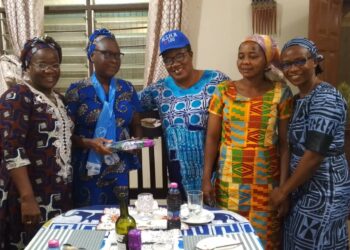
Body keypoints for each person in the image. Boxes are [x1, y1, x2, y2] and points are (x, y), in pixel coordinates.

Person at [202, 34, 292, 249]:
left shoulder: (281, 93)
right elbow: (212, 137)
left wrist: (284, 189)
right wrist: (206, 178)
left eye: (253, 56)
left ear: (267, 60)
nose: (245, 62)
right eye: (241, 56)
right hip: (229, 183)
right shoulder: (224, 91)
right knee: (229, 240)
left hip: (266, 184)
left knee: (265, 241)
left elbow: (285, 145)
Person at [270, 37, 350, 249]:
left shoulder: (326, 99)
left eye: (300, 61)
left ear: (315, 61)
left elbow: (315, 154)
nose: (293, 68)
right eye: (286, 64)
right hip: (300, 187)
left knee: (317, 242)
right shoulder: (298, 99)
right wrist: (288, 190)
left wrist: (283, 191)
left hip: (325, 190)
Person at [0, 36, 73, 249]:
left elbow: (63, 138)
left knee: (57, 241)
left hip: (58, 190)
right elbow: (11, 148)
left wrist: (88, 142)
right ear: (27, 66)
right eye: (42, 65)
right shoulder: (17, 96)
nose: (50, 70)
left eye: (55, 65)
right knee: (32, 243)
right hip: (29, 191)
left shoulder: (58, 98)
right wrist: (27, 198)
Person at [138, 30, 230, 199]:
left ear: (191, 54)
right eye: (168, 59)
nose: (175, 63)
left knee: (215, 220)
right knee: (186, 219)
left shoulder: (216, 81)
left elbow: (240, 105)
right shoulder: (158, 90)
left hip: (216, 171)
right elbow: (129, 104)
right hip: (178, 173)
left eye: (180, 56)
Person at [65, 28, 142, 207]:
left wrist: (135, 141)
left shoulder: (128, 89)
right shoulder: (77, 90)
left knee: (119, 216)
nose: (114, 60)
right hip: (88, 169)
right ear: (92, 55)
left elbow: (136, 124)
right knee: (89, 218)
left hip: (119, 166)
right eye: (107, 54)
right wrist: (89, 143)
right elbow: (66, 136)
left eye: (117, 55)